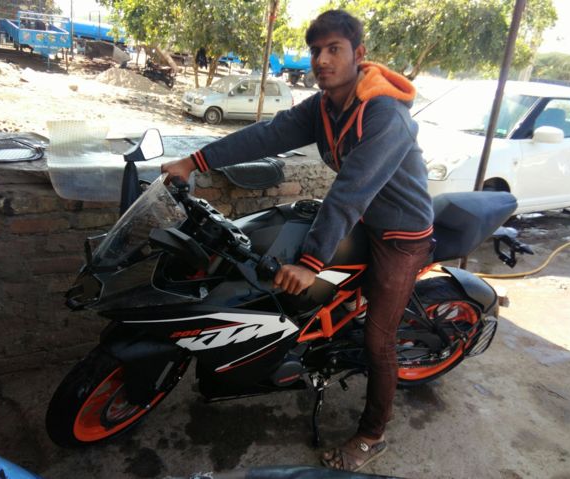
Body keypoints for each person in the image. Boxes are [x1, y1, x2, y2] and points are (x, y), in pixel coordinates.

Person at [161, 9, 434, 472]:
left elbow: (350, 191)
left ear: (359, 54)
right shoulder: (326, 106)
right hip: (361, 218)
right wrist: (195, 162)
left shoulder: (385, 114)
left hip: (399, 234)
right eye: (316, 51)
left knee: (379, 340)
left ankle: (372, 435)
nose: (322, 60)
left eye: (334, 49)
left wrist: (310, 262)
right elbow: (267, 135)